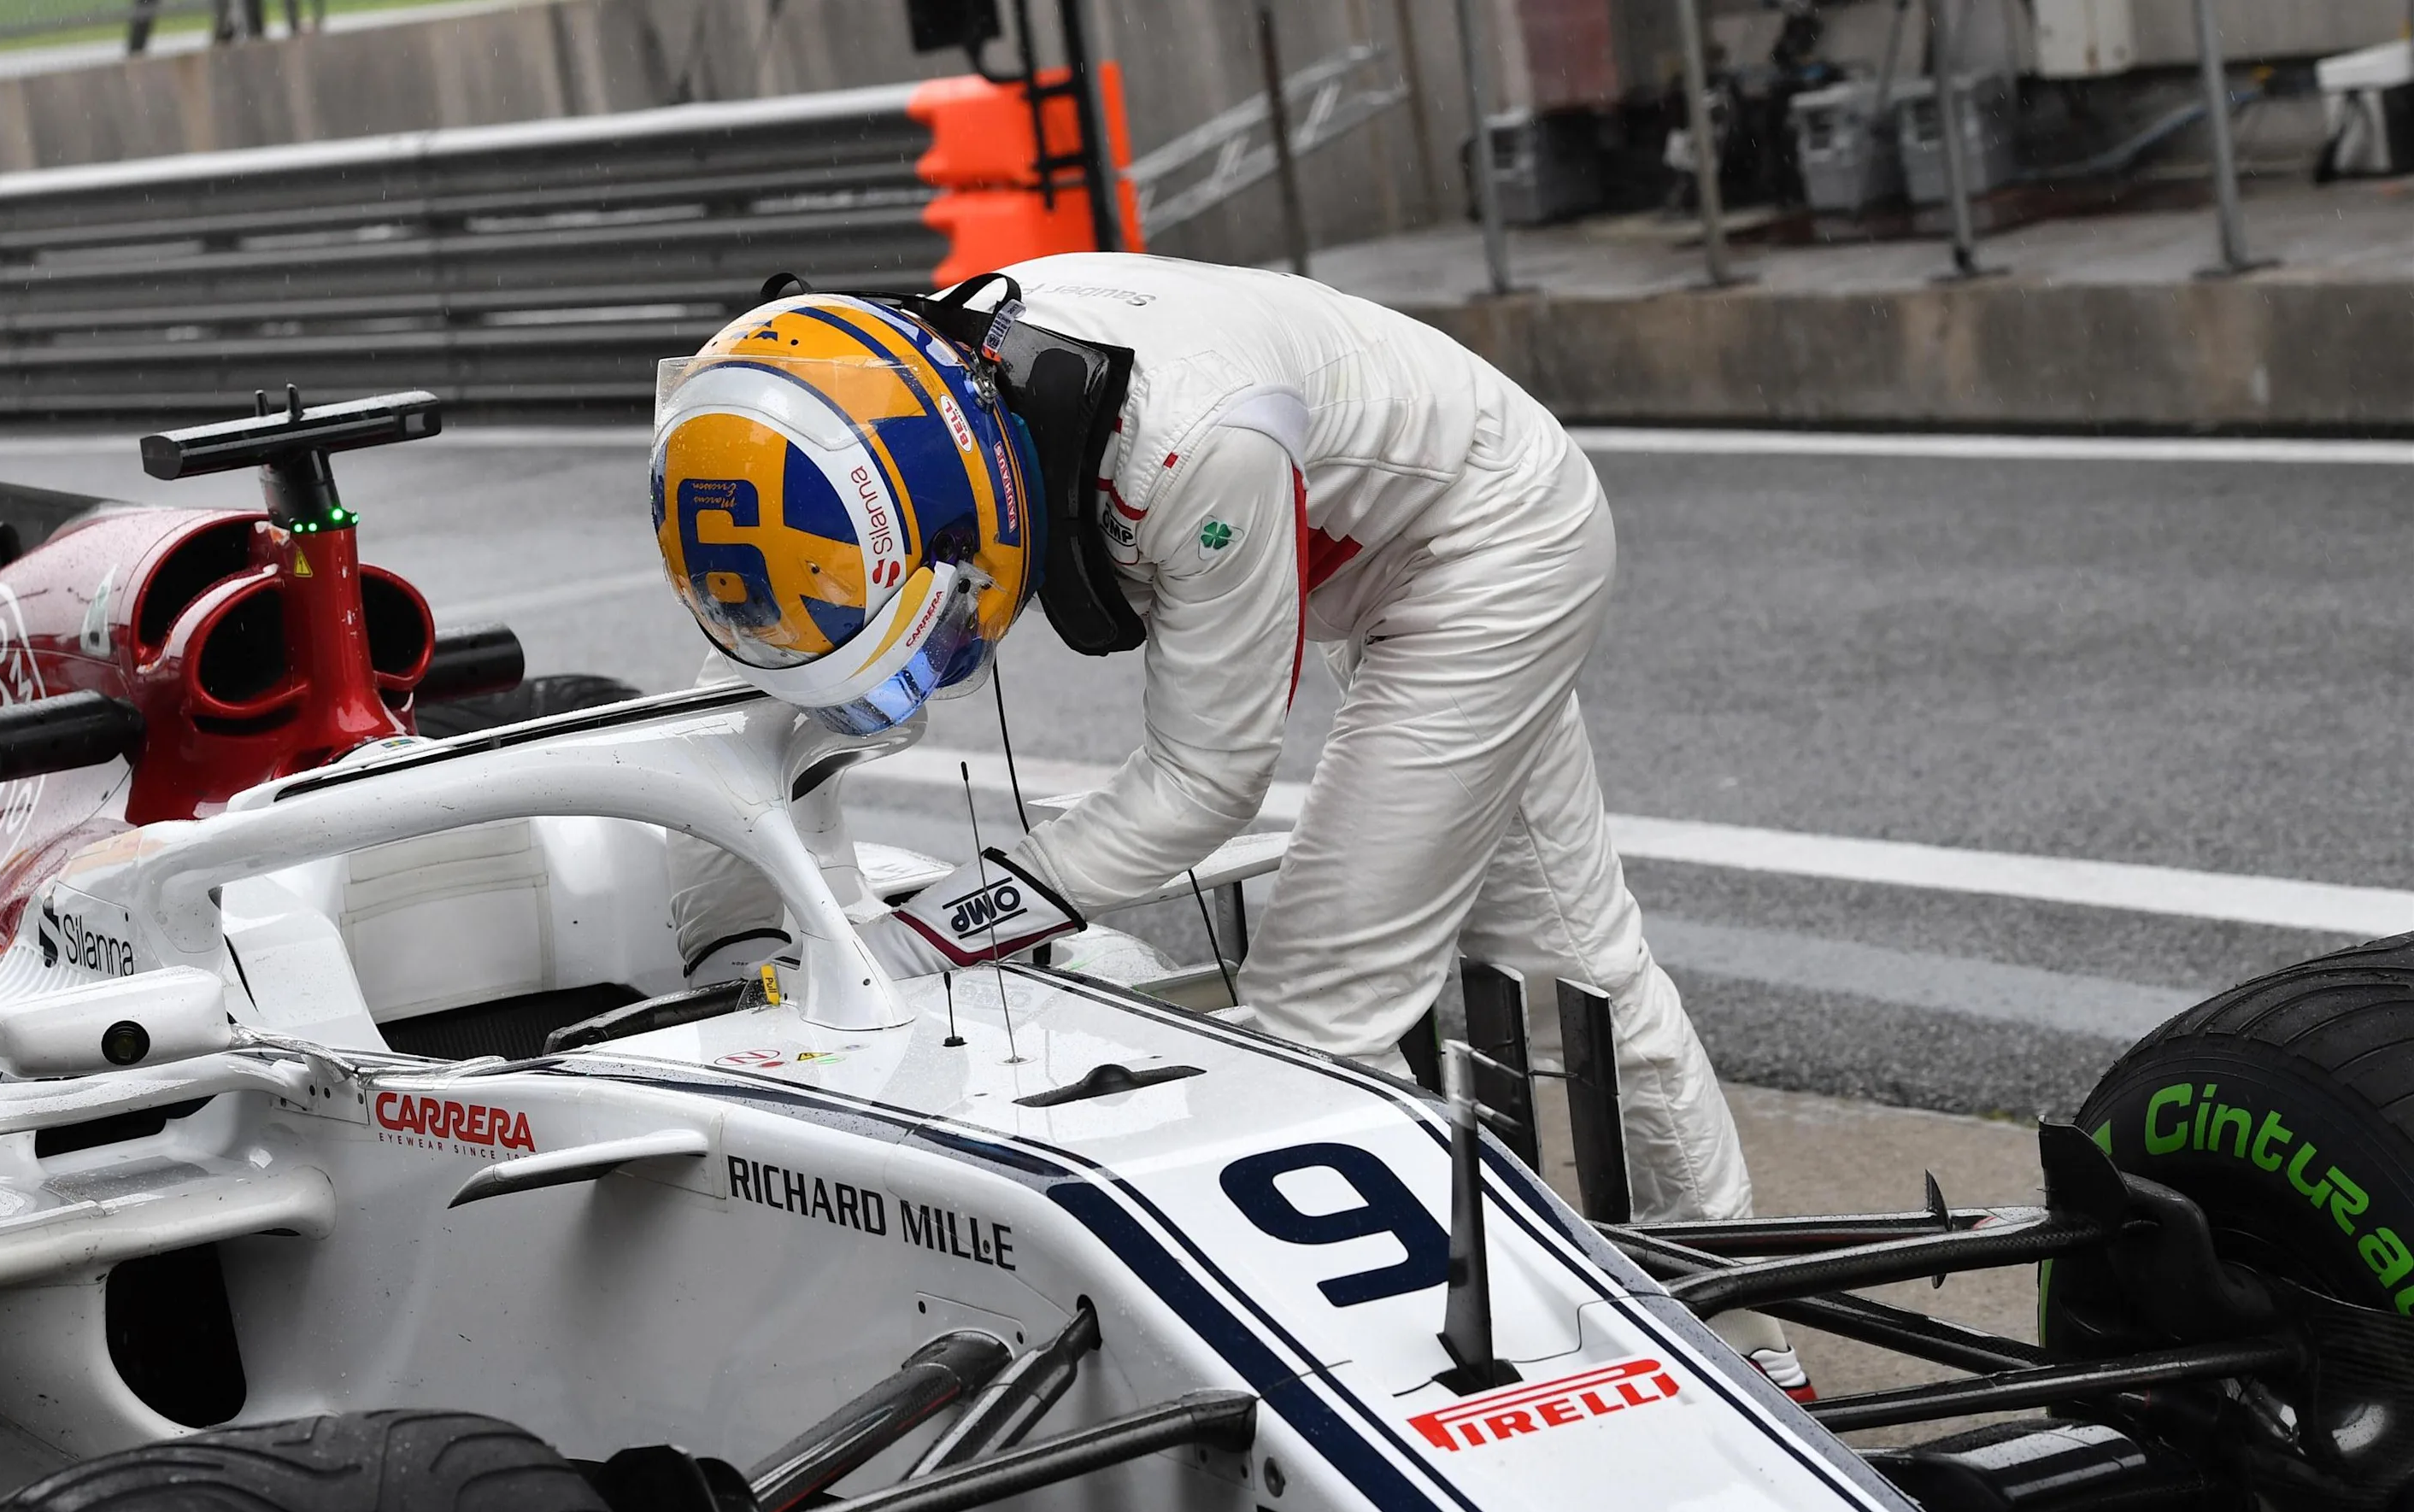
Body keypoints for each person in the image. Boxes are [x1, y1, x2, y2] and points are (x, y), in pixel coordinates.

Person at [649, 254, 1808, 1393]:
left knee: (1319, 1017)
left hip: (1488, 544)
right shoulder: (827, 429)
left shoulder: (1187, 448)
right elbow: (753, 705)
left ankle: (1364, 1392)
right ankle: (1747, 1342)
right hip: (1392, 500)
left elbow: (1203, 784)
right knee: (1577, 952)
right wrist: (760, 951)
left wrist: (931, 936)